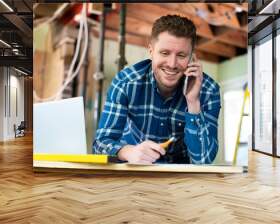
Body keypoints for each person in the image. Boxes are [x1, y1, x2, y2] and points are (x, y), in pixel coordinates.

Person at [93, 15, 221, 164]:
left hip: (180, 178)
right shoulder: (125, 83)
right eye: (165, 53)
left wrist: (193, 102)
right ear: (151, 51)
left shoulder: (208, 91)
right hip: (134, 166)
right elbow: (99, 145)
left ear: (192, 58)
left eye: (181, 55)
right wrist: (128, 152)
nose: (172, 64)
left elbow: (204, 160)